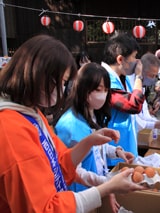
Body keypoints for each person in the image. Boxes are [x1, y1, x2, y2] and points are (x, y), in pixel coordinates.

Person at [0, 35, 144, 213]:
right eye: (58, 82)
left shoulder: (33, 115)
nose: (61, 89)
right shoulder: (11, 129)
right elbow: (44, 208)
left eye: (64, 83)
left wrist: (89, 142)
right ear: (35, 74)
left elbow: (60, 163)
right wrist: (105, 189)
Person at [54, 62, 135, 213]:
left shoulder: (90, 112)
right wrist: (107, 184)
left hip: (94, 191)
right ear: (84, 89)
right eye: (98, 89)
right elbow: (74, 172)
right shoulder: (71, 125)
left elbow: (96, 148)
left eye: (105, 90)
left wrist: (117, 151)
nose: (103, 95)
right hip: (79, 197)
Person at [101, 33, 145, 167]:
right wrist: (139, 77)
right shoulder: (105, 80)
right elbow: (134, 105)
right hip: (113, 153)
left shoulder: (122, 78)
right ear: (120, 59)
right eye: (134, 57)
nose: (137, 62)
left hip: (125, 149)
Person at [130, 52, 160, 133]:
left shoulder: (142, 86)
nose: (154, 79)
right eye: (152, 75)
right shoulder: (131, 85)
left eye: (156, 76)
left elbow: (145, 116)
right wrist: (155, 124)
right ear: (141, 71)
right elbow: (133, 120)